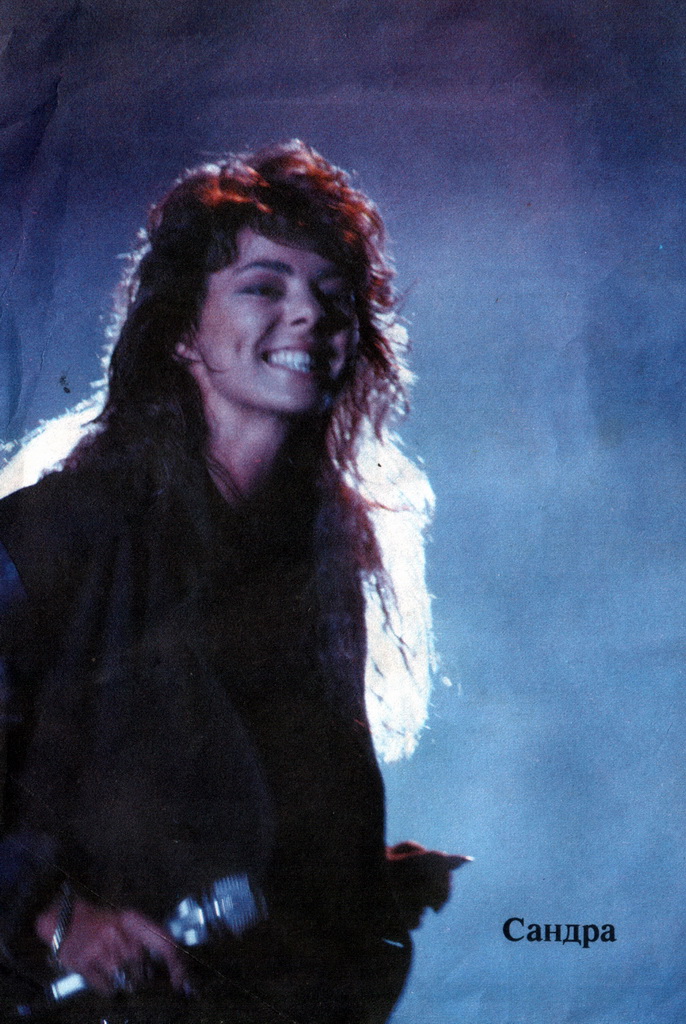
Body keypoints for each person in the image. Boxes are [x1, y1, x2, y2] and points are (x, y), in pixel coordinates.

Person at [0, 141, 467, 1023]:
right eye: (264, 286)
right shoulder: (61, 531)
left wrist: (354, 883)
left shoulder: (324, 559)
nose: (309, 314)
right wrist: (51, 917)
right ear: (182, 331)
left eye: (333, 295)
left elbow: (240, 818)